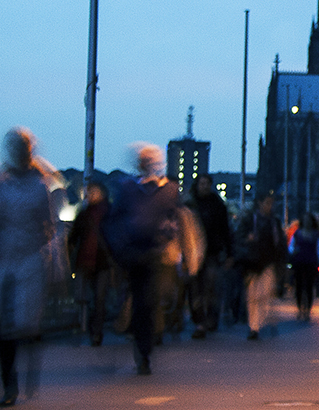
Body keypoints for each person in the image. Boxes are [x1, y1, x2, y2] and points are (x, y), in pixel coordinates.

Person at [0, 128, 55, 407]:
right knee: (3, 325)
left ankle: (21, 373)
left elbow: (47, 224)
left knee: (22, 323)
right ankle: (9, 383)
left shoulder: (40, 186)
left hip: (27, 260)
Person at [103, 143, 181, 375]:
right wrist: (120, 247)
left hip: (156, 253)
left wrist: (168, 238)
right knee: (140, 301)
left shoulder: (169, 190)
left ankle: (145, 348)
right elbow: (114, 220)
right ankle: (142, 348)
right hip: (134, 252)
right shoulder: (128, 189)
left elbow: (175, 219)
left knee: (149, 300)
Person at [185, 174, 232, 339]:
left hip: (212, 251)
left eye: (207, 184)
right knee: (195, 289)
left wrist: (229, 252)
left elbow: (226, 230)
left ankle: (210, 319)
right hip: (193, 252)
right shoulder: (190, 205)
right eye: (201, 183)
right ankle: (200, 320)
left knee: (211, 286)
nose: (204, 186)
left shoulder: (217, 205)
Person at [66, 182, 112, 347]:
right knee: (92, 298)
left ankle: (96, 332)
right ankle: (92, 330)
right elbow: (73, 237)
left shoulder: (108, 213)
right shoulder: (84, 215)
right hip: (87, 262)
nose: (90, 195)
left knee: (98, 298)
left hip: (102, 262)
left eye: (93, 192)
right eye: (88, 193)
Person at [235, 192, 282, 340]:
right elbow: (239, 237)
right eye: (267, 202)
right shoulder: (250, 220)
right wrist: (247, 239)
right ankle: (253, 326)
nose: (269, 206)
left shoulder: (274, 222)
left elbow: (280, 243)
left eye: (271, 203)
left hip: (269, 261)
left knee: (264, 293)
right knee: (252, 295)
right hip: (252, 262)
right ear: (260, 203)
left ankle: (257, 323)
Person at [289, 213, 319, 322]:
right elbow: (291, 246)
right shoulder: (298, 233)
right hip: (299, 262)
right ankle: (300, 308)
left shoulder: (315, 234)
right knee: (299, 286)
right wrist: (292, 252)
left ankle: (307, 310)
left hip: (311, 263)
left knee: (309, 287)